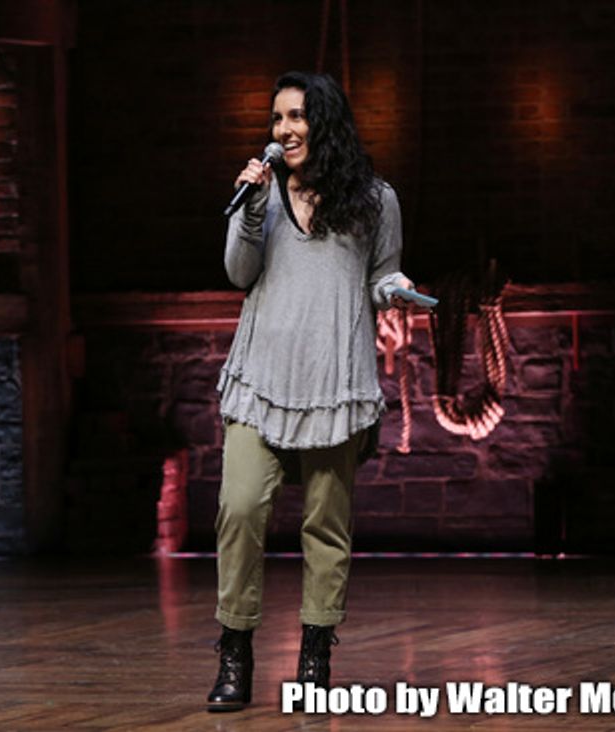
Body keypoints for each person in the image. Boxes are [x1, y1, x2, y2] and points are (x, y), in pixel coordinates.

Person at [207, 70, 414, 712]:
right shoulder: (262, 195)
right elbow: (238, 273)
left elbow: (381, 276)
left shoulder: (377, 200)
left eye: (295, 117)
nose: (283, 130)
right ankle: (235, 650)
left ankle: (315, 657)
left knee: (327, 524)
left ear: (324, 122)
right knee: (240, 508)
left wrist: (393, 289)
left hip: (333, 381)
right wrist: (246, 207)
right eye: (276, 120)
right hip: (262, 377)